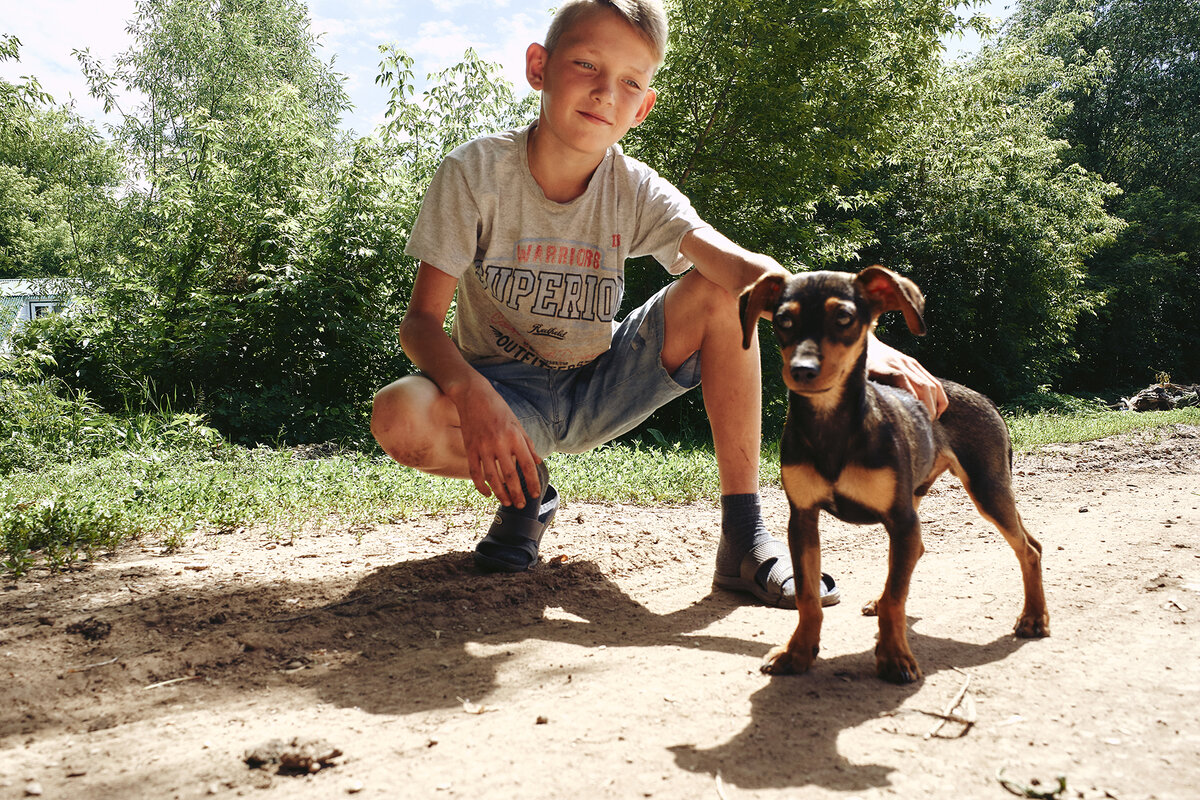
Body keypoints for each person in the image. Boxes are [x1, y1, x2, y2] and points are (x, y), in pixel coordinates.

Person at [370, 0, 947, 608]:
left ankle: (744, 539)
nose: (604, 93)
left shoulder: (636, 187)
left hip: (601, 379)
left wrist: (868, 339)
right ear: (539, 66)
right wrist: (471, 393)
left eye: (628, 82)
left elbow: (745, 267)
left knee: (722, 291)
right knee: (398, 415)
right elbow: (420, 323)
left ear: (643, 107)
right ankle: (527, 493)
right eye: (586, 64)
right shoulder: (476, 172)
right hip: (502, 390)